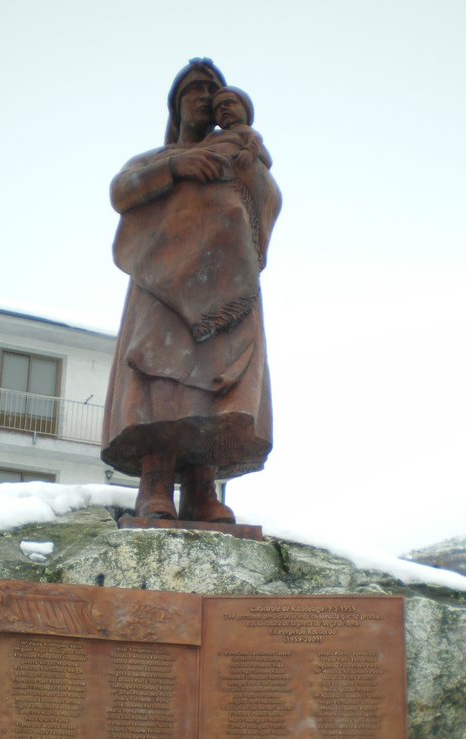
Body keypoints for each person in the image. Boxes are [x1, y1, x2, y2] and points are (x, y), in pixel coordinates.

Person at [101, 59, 281, 523]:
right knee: (163, 380)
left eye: (213, 91)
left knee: (216, 388)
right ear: (176, 104)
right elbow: (121, 191)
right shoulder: (155, 160)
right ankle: (155, 484)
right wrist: (178, 165)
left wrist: (250, 160)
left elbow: (269, 203)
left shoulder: (237, 152)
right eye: (195, 89)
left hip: (226, 286)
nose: (205, 97)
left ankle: (202, 488)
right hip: (163, 285)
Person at [203, 85, 272, 172]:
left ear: (245, 107)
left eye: (228, 103)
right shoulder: (216, 135)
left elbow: (255, 138)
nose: (222, 108)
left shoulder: (243, 129)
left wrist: (249, 152)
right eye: (217, 108)